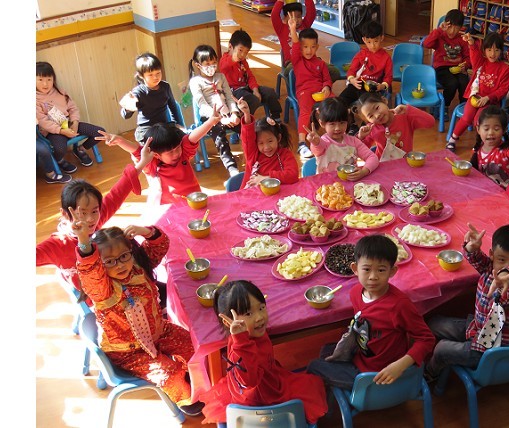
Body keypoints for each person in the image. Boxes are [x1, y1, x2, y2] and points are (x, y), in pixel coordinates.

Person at [72, 222, 203, 416]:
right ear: (100, 264)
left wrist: (145, 232)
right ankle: (187, 401)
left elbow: (160, 246)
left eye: (124, 256)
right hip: (128, 352)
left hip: (159, 332)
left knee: (194, 347)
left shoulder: (140, 266)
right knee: (170, 373)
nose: (120, 265)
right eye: (110, 261)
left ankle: (196, 382)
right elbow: (89, 272)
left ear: (131, 252)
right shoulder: (101, 289)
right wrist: (84, 242)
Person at [307, 234, 435, 390]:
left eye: (381, 270)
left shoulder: (399, 305)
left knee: (314, 365)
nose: (373, 277)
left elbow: (426, 339)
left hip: (376, 375)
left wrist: (399, 366)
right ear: (355, 269)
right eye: (367, 269)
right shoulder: (355, 293)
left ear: (392, 271)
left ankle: (358, 394)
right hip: (361, 355)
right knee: (326, 350)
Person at [36, 138, 153, 305]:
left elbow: (118, 192)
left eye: (94, 211)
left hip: (117, 285)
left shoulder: (94, 223)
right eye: (82, 213)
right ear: (65, 213)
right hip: (100, 301)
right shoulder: (58, 244)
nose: (90, 219)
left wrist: (142, 162)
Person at [199, 280, 328, 425]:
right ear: (228, 322)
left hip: (266, 382)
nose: (259, 317)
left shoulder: (243, 334)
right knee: (312, 385)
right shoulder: (240, 346)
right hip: (263, 399)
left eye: (261, 308)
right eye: (248, 313)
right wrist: (241, 342)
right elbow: (248, 380)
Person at [424, 223, 509, 381]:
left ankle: (429, 373)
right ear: (492, 255)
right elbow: (479, 261)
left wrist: (505, 276)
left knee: (442, 349)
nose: (507, 267)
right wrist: (472, 248)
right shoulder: (490, 267)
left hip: (495, 348)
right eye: (502, 259)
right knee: (433, 323)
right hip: (478, 328)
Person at [103, 114, 219, 205]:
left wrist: (210, 122)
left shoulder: (183, 154)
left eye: (177, 148)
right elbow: (136, 151)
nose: (176, 153)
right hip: (170, 208)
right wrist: (120, 141)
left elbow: (192, 137)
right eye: (170, 152)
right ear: (156, 155)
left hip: (194, 201)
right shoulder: (152, 164)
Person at [446, 32, 509, 152]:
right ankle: (452, 139)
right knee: (466, 118)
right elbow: (474, 53)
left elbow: (503, 89)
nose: (493, 54)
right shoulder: (480, 63)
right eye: (489, 50)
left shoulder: (505, 69)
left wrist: (488, 98)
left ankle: (479, 143)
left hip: (490, 102)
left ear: (501, 51)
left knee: (479, 120)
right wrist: (471, 42)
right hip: (475, 97)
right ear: (484, 50)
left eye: (496, 50)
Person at [36, 61, 105, 172]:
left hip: (68, 123)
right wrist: (62, 131)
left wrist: (75, 123)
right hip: (53, 132)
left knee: (100, 132)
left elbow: (73, 108)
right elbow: (43, 121)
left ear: (53, 79)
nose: (45, 84)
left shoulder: (60, 92)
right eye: (40, 80)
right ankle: (59, 160)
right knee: (60, 148)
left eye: (49, 79)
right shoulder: (35, 99)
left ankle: (80, 150)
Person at [188, 44, 241, 177]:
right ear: (198, 65)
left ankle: (256, 158)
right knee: (220, 137)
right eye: (207, 64)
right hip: (210, 117)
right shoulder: (195, 81)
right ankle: (232, 168)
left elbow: (229, 97)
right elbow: (202, 104)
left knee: (247, 126)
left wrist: (234, 113)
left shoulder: (221, 77)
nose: (211, 66)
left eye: (214, 63)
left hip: (228, 114)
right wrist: (218, 118)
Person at [288, 19, 334, 159]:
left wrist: (326, 87)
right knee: (305, 111)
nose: (309, 50)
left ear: (317, 47)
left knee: (335, 103)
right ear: (300, 48)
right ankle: (302, 143)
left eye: (312, 47)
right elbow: (295, 44)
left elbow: (327, 79)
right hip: (304, 91)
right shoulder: (297, 60)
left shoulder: (321, 63)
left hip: (320, 91)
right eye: (305, 47)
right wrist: (292, 29)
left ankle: (337, 134)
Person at [219, 29, 283, 125]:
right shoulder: (225, 60)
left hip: (246, 88)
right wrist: (234, 58)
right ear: (230, 46)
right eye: (240, 50)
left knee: (270, 92)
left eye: (246, 52)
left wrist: (255, 90)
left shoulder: (243, 61)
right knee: (253, 100)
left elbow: (250, 76)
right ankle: (242, 123)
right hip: (235, 92)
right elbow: (225, 65)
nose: (243, 55)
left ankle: (276, 117)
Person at [305, 98, 379, 179]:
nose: (338, 128)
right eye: (332, 124)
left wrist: (363, 172)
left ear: (347, 121)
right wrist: (316, 143)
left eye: (342, 123)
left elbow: (372, 158)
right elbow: (318, 149)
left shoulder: (353, 141)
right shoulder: (323, 142)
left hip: (350, 182)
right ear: (322, 123)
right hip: (326, 184)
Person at [236, 96, 299, 190]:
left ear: (278, 138)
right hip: (251, 196)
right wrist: (247, 114)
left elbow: (293, 175)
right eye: (261, 143)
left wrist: (266, 178)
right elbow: (247, 138)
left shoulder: (285, 154)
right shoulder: (252, 154)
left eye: (270, 141)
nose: (266, 147)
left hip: (278, 196)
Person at [271, 0, 341, 82]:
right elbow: (274, 16)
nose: (296, 20)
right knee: (290, 72)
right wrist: (280, 1)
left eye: (299, 17)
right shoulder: (281, 28)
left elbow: (311, 12)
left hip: (311, 60)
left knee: (335, 72)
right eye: (291, 17)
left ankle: (318, 84)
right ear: (284, 18)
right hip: (292, 63)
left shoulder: (305, 25)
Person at [119, 52, 181, 145]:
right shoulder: (138, 92)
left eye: (158, 73)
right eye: (150, 75)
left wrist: (177, 124)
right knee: (157, 145)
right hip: (147, 129)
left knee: (183, 139)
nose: (155, 77)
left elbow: (173, 106)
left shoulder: (165, 86)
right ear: (141, 75)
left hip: (164, 126)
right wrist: (128, 108)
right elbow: (125, 115)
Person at [356, 92, 435, 160]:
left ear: (384, 100)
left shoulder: (404, 117)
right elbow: (359, 152)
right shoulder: (371, 129)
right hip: (382, 166)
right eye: (371, 116)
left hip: (405, 163)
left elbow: (430, 122)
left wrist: (408, 109)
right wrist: (361, 137)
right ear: (367, 120)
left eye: (377, 108)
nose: (377, 115)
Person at [422, 9, 471, 116]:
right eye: (450, 27)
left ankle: (464, 107)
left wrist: (465, 65)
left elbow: (468, 57)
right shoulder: (440, 36)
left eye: (456, 28)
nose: (452, 31)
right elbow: (426, 44)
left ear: (461, 28)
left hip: (458, 68)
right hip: (442, 68)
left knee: (464, 82)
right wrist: (439, 30)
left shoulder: (462, 39)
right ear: (445, 25)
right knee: (452, 83)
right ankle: (444, 106)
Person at [469, 105, 509, 188]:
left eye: (496, 129)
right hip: (490, 190)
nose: (491, 133)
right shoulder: (477, 150)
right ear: (478, 129)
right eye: (486, 129)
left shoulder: (506, 151)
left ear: (504, 130)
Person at [339, 20, 393, 112]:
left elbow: (388, 77)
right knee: (340, 102)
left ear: (381, 38)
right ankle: (347, 117)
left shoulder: (386, 58)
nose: (373, 45)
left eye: (376, 41)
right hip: (357, 85)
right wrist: (352, 80)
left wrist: (382, 86)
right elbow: (351, 70)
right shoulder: (361, 54)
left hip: (373, 89)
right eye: (369, 42)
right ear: (364, 40)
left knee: (368, 108)